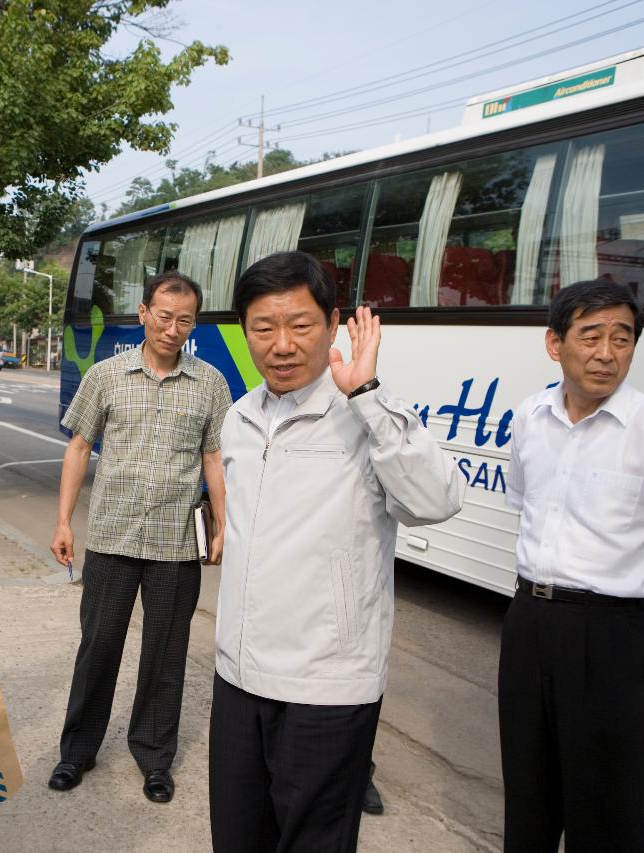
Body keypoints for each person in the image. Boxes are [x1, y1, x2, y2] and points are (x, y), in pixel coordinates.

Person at [210, 251, 464, 852]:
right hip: (239, 678)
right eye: (263, 328)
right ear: (244, 332)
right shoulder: (241, 417)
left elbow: (437, 500)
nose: (282, 345)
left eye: (300, 325)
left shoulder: (366, 412)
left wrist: (368, 395)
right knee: (238, 840)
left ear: (333, 324)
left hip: (327, 686)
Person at [499, 280, 644, 852]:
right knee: (528, 790)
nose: (606, 352)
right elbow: (524, 506)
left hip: (614, 633)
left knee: (608, 806)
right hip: (529, 621)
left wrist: (626, 581)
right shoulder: (530, 418)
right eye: (590, 336)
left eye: (621, 338)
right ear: (555, 344)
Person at [48, 271, 231, 804]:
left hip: (175, 545)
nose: (173, 329)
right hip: (111, 538)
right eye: (165, 316)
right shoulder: (107, 376)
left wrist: (223, 523)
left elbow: (213, 457)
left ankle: (154, 758)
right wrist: (63, 521)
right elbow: (79, 447)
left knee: (165, 653)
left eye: (186, 320)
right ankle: (76, 753)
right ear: (143, 312)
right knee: (99, 646)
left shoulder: (211, 383)